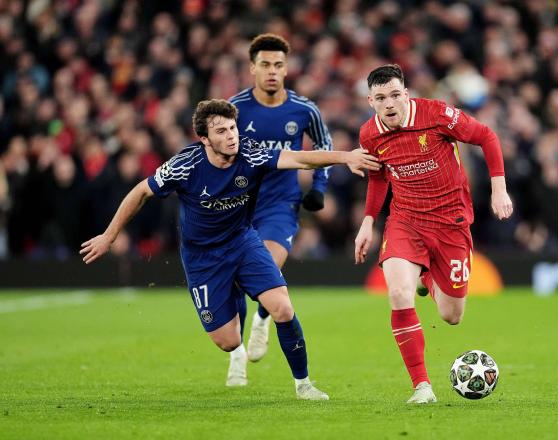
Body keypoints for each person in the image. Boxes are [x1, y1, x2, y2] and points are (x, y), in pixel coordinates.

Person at [80, 98, 380, 400]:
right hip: (203, 258)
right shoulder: (185, 165)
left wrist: (345, 157)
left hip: (243, 242)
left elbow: (300, 158)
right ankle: (237, 341)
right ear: (204, 139)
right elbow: (141, 191)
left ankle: (304, 384)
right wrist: (109, 236)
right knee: (227, 340)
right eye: (221, 131)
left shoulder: (251, 154)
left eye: (233, 128)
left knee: (283, 307)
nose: (231, 136)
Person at [353, 65, 513, 404]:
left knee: (451, 316)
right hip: (406, 221)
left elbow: (486, 136)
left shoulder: (437, 114)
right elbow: (379, 178)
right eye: (381, 98)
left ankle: (427, 276)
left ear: (405, 94)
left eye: (395, 95)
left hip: (450, 222)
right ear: (370, 101)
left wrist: (499, 189)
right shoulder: (369, 135)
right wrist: (368, 221)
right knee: (397, 293)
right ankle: (422, 387)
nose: (389, 103)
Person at [228, 34, 333, 370]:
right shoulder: (236, 108)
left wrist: (319, 186)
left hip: (281, 204)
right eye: (265, 65)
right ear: (252, 69)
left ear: (286, 69)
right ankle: (236, 353)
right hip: (239, 203)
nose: (272, 71)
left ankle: (262, 318)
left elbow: (324, 144)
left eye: (278, 65)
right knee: (236, 280)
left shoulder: (304, 110)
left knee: (268, 267)